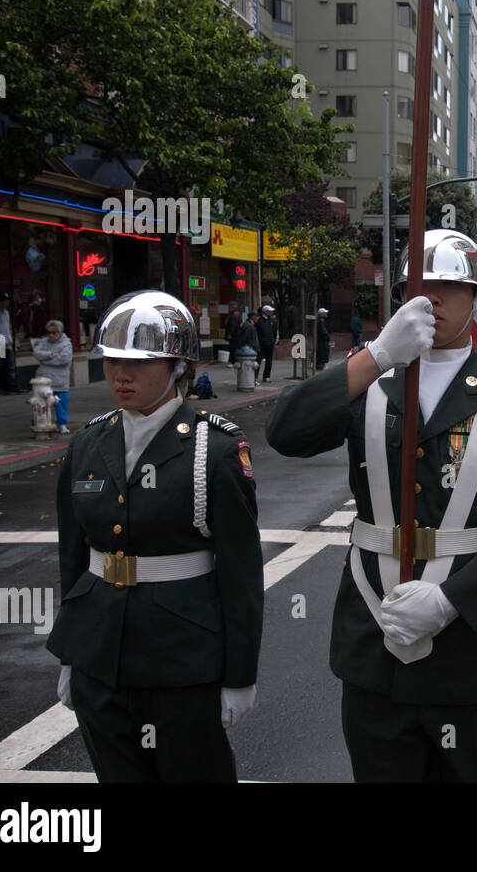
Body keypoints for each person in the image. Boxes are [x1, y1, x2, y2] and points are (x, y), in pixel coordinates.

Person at [265, 229, 477, 782]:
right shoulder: (372, 380)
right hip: (371, 638)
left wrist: (453, 599)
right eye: (421, 284)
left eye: (452, 286)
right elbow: (286, 432)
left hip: (470, 650)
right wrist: (379, 353)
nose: (434, 297)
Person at [46, 291, 263, 781]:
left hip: (181, 661)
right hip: (100, 656)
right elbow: (73, 555)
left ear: (177, 365)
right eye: (114, 360)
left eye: (140, 363)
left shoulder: (215, 447)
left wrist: (239, 674)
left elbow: (240, 570)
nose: (122, 375)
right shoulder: (87, 442)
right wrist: (70, 651)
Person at [32, 320, 73, 433]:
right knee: (40, 403)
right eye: (49, 332)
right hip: (43, 381)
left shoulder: (66, 344)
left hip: (60, 380)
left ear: (60, 332)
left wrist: (45, 360)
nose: (51, 335)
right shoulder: (43, 342)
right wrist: (50, 355)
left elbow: (64, 359)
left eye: (54, 332)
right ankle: (38, 422)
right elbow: (36, 353)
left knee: (61, 403)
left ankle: (62, 424)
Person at [0, 292, 23, 394]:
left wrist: (11, 340)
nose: (7, 303)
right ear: (0, 302)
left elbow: (8, 328)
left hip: (7, 343)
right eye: (5, 301)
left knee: (10, 366)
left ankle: (12, 387)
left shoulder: (6, 313)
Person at [256, 304, 278, 384]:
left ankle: (267, 376)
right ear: (265, 312)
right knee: (258, 360)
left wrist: (275, 342)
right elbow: (257, 333)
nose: (271, 312)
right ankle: (255, 377)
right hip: (261, 344)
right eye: (269, 311)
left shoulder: (273, 321)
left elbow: (275, 332)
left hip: (270, 344)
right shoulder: (259, 321)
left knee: (269, 361)